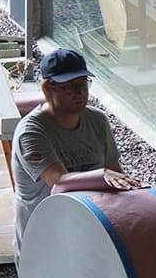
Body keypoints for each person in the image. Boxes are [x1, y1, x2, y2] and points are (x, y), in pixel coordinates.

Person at [11, 48, 142, 255]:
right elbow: (58, 180)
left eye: (82, 85)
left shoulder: (97, 120)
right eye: (69, 87)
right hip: (41, 243)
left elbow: (118, 176)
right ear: (47, 88)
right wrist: (102, 175)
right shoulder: (31, 132)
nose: (79, 93)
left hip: (86, 235)